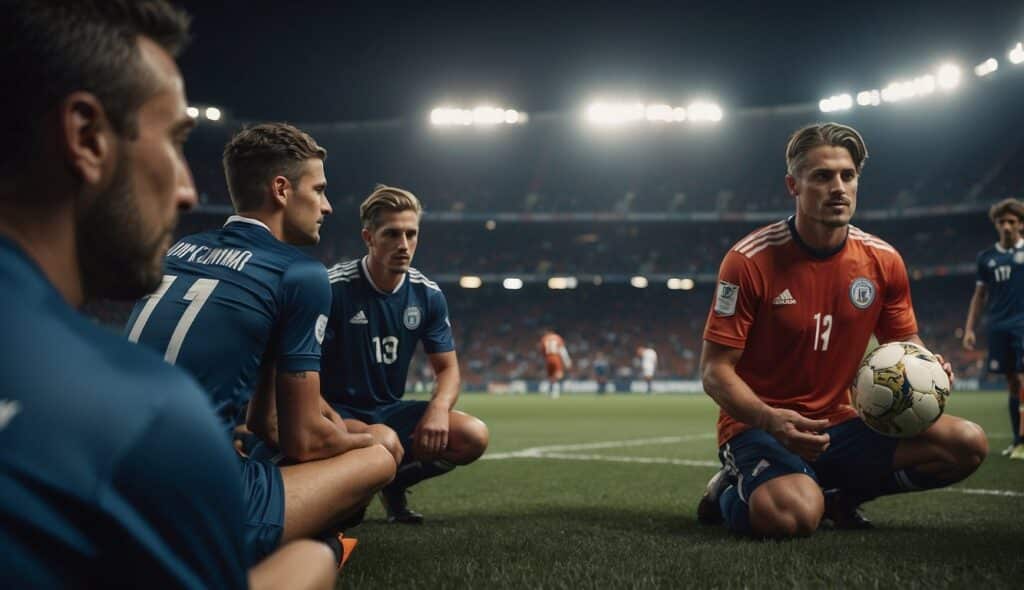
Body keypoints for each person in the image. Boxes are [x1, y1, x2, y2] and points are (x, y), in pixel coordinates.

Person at [0, 2, 339, 588]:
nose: (186, 189)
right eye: (176, 141)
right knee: (313, 557)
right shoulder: (149, 415)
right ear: (87, 138)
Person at [696, 123, 988, 538]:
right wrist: (770, 419)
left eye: (847, 176)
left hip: (845, 424)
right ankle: (726, 491)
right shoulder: (748, 261)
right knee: (792, 517)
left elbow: (904, 342)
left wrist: (928, 368)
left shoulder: (883, 260)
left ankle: (839, 497)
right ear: (792, 185)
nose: (838, 187)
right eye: (821, 176)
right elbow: (715, 371)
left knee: (966, 444)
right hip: (762, 427)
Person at [126, 123, 397, 561]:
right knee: (380, 456)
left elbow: (265, 422)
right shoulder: (298, 272)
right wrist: (371, 441)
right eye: (320, 189)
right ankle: (307, 548)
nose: (327, 206)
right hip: (192, 496)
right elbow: (303, 440)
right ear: (281, 189)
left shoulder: (180, 249)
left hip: (113, 469)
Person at [321, 185, 490, 524]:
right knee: (379, 443)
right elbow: (300, 372)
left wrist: (439, 410)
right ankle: (349, 489)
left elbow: (448, 370)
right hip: (335, 412)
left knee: (473, 435)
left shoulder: (426, 295)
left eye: (411, 234)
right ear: (368, 237)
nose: (403, 244)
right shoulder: (332, 288)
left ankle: (393, 484)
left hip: (388, 409)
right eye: (392, 234)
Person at [963, 197, 1024, 460]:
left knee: (1022, 381)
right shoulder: (986, 259)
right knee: (1012, 383)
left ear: (1020, 224)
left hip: (1022, 326)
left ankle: (1022, 441)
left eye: (1011, 221)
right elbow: (979, 296)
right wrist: (969, 329)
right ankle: (1017, 439)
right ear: (996, 225)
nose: (1006, 226)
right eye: (1002, 222)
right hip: (998, 327)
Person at [540, 328, 572, 398]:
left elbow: (542, 351)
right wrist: (567, 361)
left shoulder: (544, 338)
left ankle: (549, 391)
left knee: (550, 376)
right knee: (557, 375)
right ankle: (555, 393)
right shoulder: (557, 338)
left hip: (548, 358)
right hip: (556, 358)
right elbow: (562, 350)